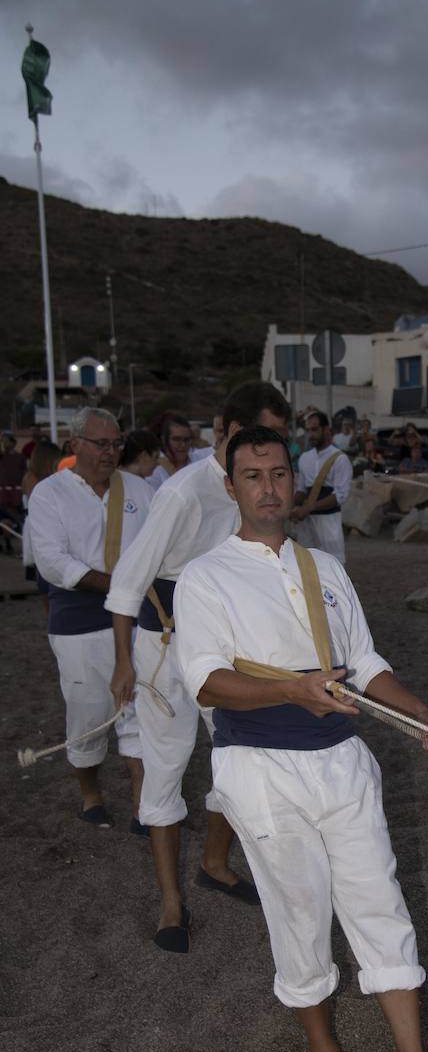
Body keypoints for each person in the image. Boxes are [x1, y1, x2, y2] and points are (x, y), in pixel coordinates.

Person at [174, 426, 428, 1052]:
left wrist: (414, 709)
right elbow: (206, 681)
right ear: (231, 487)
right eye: (252, 475)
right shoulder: (205, 577)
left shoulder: (324, 567)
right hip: (260, 770)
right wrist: (291, 690)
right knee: (299, 913)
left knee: (380, 902)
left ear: (293, 482)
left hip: (343, 759)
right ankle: (322, 1051)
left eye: (278, 474)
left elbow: (362, 661)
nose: (267, 488)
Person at [106, 382, 291, 952]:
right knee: (166, 765)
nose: (272, 456)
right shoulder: (183, 493)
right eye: (260, 437)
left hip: (225, 646)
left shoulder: (260, 489)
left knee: (238, 754)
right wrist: (123, 663)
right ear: (229, 432)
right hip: (164, 644)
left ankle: (213, 863)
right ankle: (170, 902)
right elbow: (127, 582)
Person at [27, 407, 153, 826]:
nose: (111, 452)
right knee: (89, 713)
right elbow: (51, 561)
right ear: (74, 444)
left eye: (117, 443)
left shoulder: (140, 489)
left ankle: (141, 803)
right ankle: (90, 792)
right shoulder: (49, 494)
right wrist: (116, 585)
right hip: (78, 622)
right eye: (101, 443)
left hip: (136, 618)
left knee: (138, 708)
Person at [289, 410, 353, 566]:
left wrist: (308, 508)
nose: (310, 434)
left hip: (328, 522)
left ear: (326, 430)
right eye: (308, 430)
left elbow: (340, 496)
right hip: (306, 523)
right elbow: (302, 490)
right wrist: (288, 506)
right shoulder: (305, 458)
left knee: (333, 565)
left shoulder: (340, 459)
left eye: (315, 429)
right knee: (306, 565)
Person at [147, 412, 195, 490]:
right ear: (163, 439)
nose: (183, 445)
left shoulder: (200, 460)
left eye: (187, 439)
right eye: (177, 439)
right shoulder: (154, 471)